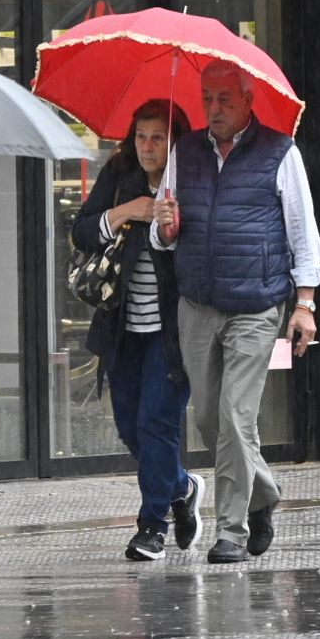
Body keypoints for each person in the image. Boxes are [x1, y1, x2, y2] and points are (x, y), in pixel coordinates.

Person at [152, 59, 320, 564]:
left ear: (248, 99)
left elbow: (304, 233)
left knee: (235, 414)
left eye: (224, 99)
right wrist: (163, 226)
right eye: (207, 98)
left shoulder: (280, 152)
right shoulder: (184, 153)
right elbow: (161, 237)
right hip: (198, 304)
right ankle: (264, 494)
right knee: (210, 417)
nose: (214, 109)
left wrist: (305, 305)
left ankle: (230, 530)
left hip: (256, 305)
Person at [72, 99, 205, 562]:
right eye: (141, 137)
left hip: (174, 330)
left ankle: (152, 525)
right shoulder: (119, 175)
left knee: (156, 423)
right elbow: (82, 231)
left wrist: (175, 228)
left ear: (175, 143)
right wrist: (130, 209)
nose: (147, 147)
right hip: (122, 326)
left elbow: (209, 248)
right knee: (131, 427)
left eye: (157, 138)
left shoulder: (193, 181)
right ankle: (182, 487)